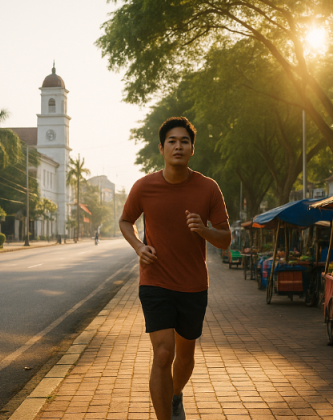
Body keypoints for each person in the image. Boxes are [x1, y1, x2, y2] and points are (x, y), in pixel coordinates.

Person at [120, 116, 231, 420]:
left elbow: (226, 239)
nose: (178, 146)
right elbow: (125, 220)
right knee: (163, 353)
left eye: (184, 141)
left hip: (194, 285)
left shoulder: (208, 188)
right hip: (155, 282)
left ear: (192, 149)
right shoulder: (144, 187)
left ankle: (176, 395)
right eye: (172, 141)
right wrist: (139, 247)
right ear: (162, 148)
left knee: (185, 357)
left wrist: (204, 230)